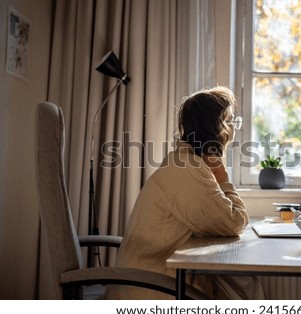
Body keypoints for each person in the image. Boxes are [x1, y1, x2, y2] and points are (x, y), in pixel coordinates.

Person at [105, 86, 265, 299]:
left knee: (242, 283)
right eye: (230, 122)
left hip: (160, 276)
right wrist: (223, 177)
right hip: (150, 288)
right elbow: (234, 222)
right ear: (216, 128)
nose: (233, 130)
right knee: (245, 285)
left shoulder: (186, 161)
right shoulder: (186, 167)